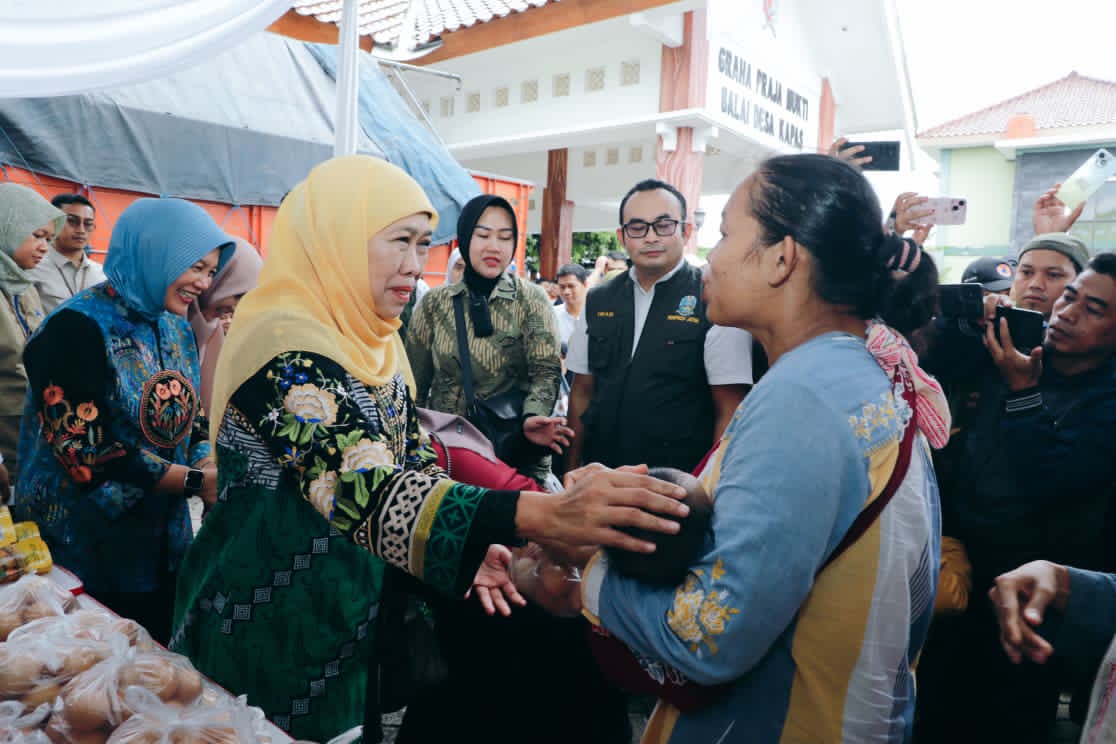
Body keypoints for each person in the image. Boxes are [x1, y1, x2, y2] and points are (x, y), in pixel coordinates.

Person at [170, 156, 690, 741]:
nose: (414, 266)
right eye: (398, 242)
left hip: (351, 621)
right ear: (337, 236)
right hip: (265, 625)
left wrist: (471, 548)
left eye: (423, 245)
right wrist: (547, 515)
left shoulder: (373, 343)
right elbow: (365, 488)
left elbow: (411, 460)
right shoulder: (283, 348)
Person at [530, 153, 947, 743]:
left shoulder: (804, 398)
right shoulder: (850, 373)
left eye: (726, 233)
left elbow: (706, 636)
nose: (714, 256)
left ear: (783, 258)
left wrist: (582, 575)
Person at [915, 251, 1116, 744]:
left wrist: (1023, 393)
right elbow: (924, 353)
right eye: (1070, 298)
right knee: (932, 716)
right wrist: (965, 320)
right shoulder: (1014, 351)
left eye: (1094, 309)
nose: (1067, 313)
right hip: (958, 578)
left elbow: (1053, 479)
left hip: (1032, 605)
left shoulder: (1105, 401)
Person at [13, 197, 232, 643]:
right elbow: (85, 452)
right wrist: (195, 482)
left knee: (153, 674)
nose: (203, 283)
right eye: (194, 267)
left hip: (160, 543)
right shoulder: (74, 328)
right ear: (156, 253)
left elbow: (191, 417)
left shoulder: (173, 325)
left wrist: (206, 460)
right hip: (83, 548)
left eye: (211, 272)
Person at [565, 179, 753, 476]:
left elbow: (729, 408)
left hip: (674, 487)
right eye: (638, 227)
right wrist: (570, 469)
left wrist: (708, 489)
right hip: (600, 478)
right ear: (621, 236)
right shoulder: (599, 298)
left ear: (686, 230)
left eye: (663, 225)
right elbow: (581, 391)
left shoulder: (714, 299)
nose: (651, 237)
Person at [405, 194, 566, 483]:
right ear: (466, 238)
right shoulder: (435, 304)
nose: (494, 247)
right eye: (483, 235)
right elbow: (413, 384)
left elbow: (546, 372)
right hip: (448, 457)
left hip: (514, 453)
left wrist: (533, 416)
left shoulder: (531, 300)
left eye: (505, 238)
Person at [0, 183, 63, 490]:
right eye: (37, 235)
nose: (44, 247)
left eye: (49, 239)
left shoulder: (23, 288)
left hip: (29, 448)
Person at [187, 238, 263, 414]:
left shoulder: (211, 329)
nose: (236, 309)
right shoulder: (171, 322)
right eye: (236, 295)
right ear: (219, 280)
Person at [27, 193, 106, 313]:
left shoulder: (102, 274)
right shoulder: (33, 267)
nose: (81, 230)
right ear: (52, 222)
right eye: (72, 221)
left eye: (88, 224)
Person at [553, 262, 588, 347]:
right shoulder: (551, 314)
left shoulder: (598, 314)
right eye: (562, 287)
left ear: (584, 285)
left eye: (571, 286)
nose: (566, 292)